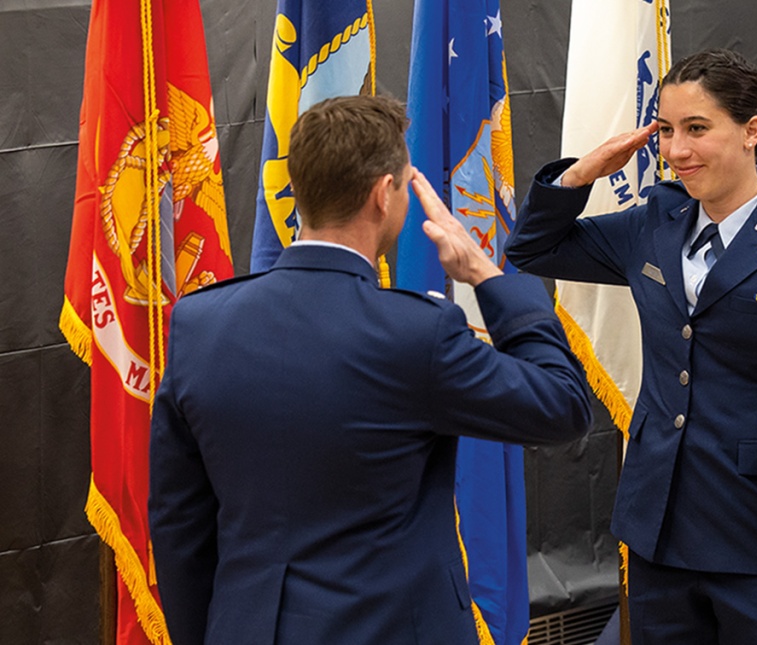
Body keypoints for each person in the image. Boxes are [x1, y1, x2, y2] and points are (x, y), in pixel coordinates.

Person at [148, 95, 592, 645]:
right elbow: (563, 405)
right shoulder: (415, 334)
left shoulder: (198, 324)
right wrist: (491, 277)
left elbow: (178, 523)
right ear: (384, 194)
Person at [506, 48, 757, 645]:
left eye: (697, 129)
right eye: (665, 130)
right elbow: (530, 249)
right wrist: (583, 171)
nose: (676, 151)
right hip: (659, 536)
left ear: (751, 131)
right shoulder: (652, 225)